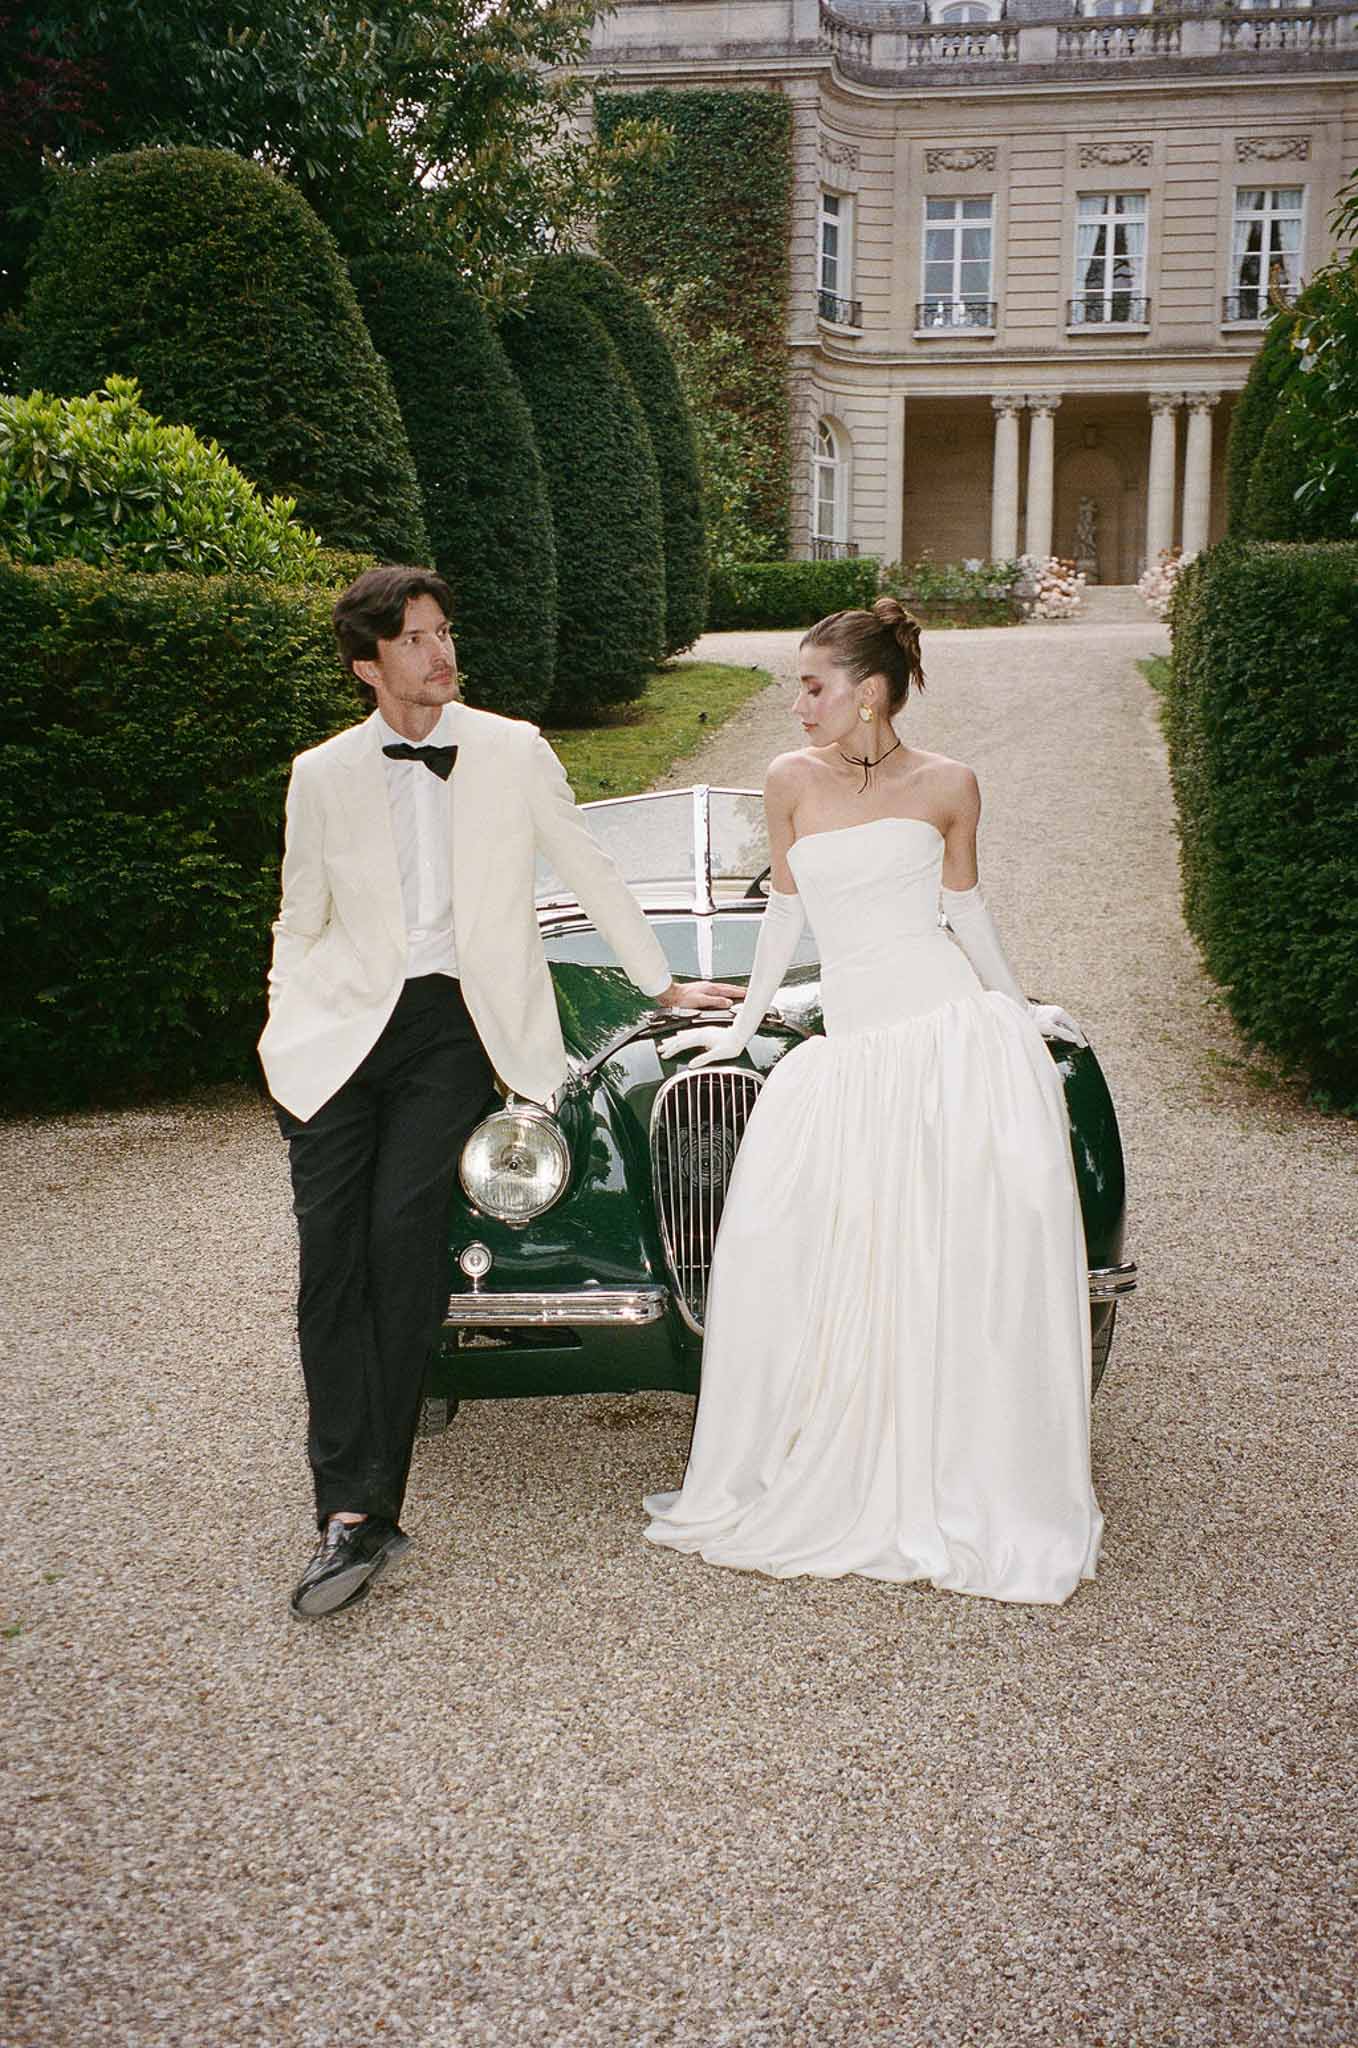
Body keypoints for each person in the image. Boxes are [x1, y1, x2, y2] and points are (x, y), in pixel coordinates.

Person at [260, 565, 740, 1619]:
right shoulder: (321, 773)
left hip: (452, 1028)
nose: (440, 652)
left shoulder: (512, 749)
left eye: (443, 630)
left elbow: (588, 864)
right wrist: (282, 1026)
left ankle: (359, 1512)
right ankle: (342, 1497)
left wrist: (661, 981)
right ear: (368, 665)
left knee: (401, 1244)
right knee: (328, 1265)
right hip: (334, 1036)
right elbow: (300, 918)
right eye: (415, 639)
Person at [645, 598, 1103, 1605]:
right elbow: (785, 914)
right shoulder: (788, 779)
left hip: (944, 1033)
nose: (797, 703)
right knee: (834, 1243)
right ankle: (849, 1450)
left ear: (868, 693)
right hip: (851, 1048)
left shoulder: (950, 783)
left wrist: (1016, 1008)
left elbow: (963, 910)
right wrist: (740, 1028)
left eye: (812, 686)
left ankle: (953, 1463)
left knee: (946, 1249)